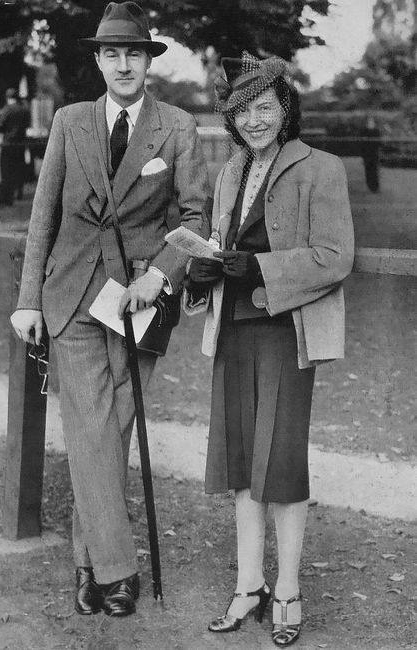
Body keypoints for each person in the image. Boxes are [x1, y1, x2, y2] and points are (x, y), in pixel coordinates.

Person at [10, 1, 209, 618]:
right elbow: (43, 215)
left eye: (134, 54)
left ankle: (86, 565)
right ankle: (119, 573)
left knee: (111, 433)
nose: (124, 64)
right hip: (69, 296)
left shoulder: (176, 127)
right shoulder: (70, 121)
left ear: (149, 62)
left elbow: (197, 217)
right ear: (98, 61)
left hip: (138, 305)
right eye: (112, 53)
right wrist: (26, 300)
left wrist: (161, 274)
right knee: (91, 430)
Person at [185, 52, 354, 646]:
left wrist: (257, 266)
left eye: (265, 108)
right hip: (232, 328)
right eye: (242, 112)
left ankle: (288, 591)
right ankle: (249, 585)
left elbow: (335, 257)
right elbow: (217, 239)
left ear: (286, 110)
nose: (254, 121)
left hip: (285, 331)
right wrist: (204, 268)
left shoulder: (321, 168)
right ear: (230, 120)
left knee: (279, 463)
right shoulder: (230, 170)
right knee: (240, 463)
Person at [0, 88, 30, 205]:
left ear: (7, 98)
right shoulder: (24, 110)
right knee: (18, 169)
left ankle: (6, 198)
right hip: (20, 144)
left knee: (6, 171)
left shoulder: (7, 109)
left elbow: (0, 125)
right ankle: (18, 193)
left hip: (8, 144)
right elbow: (27, 124)